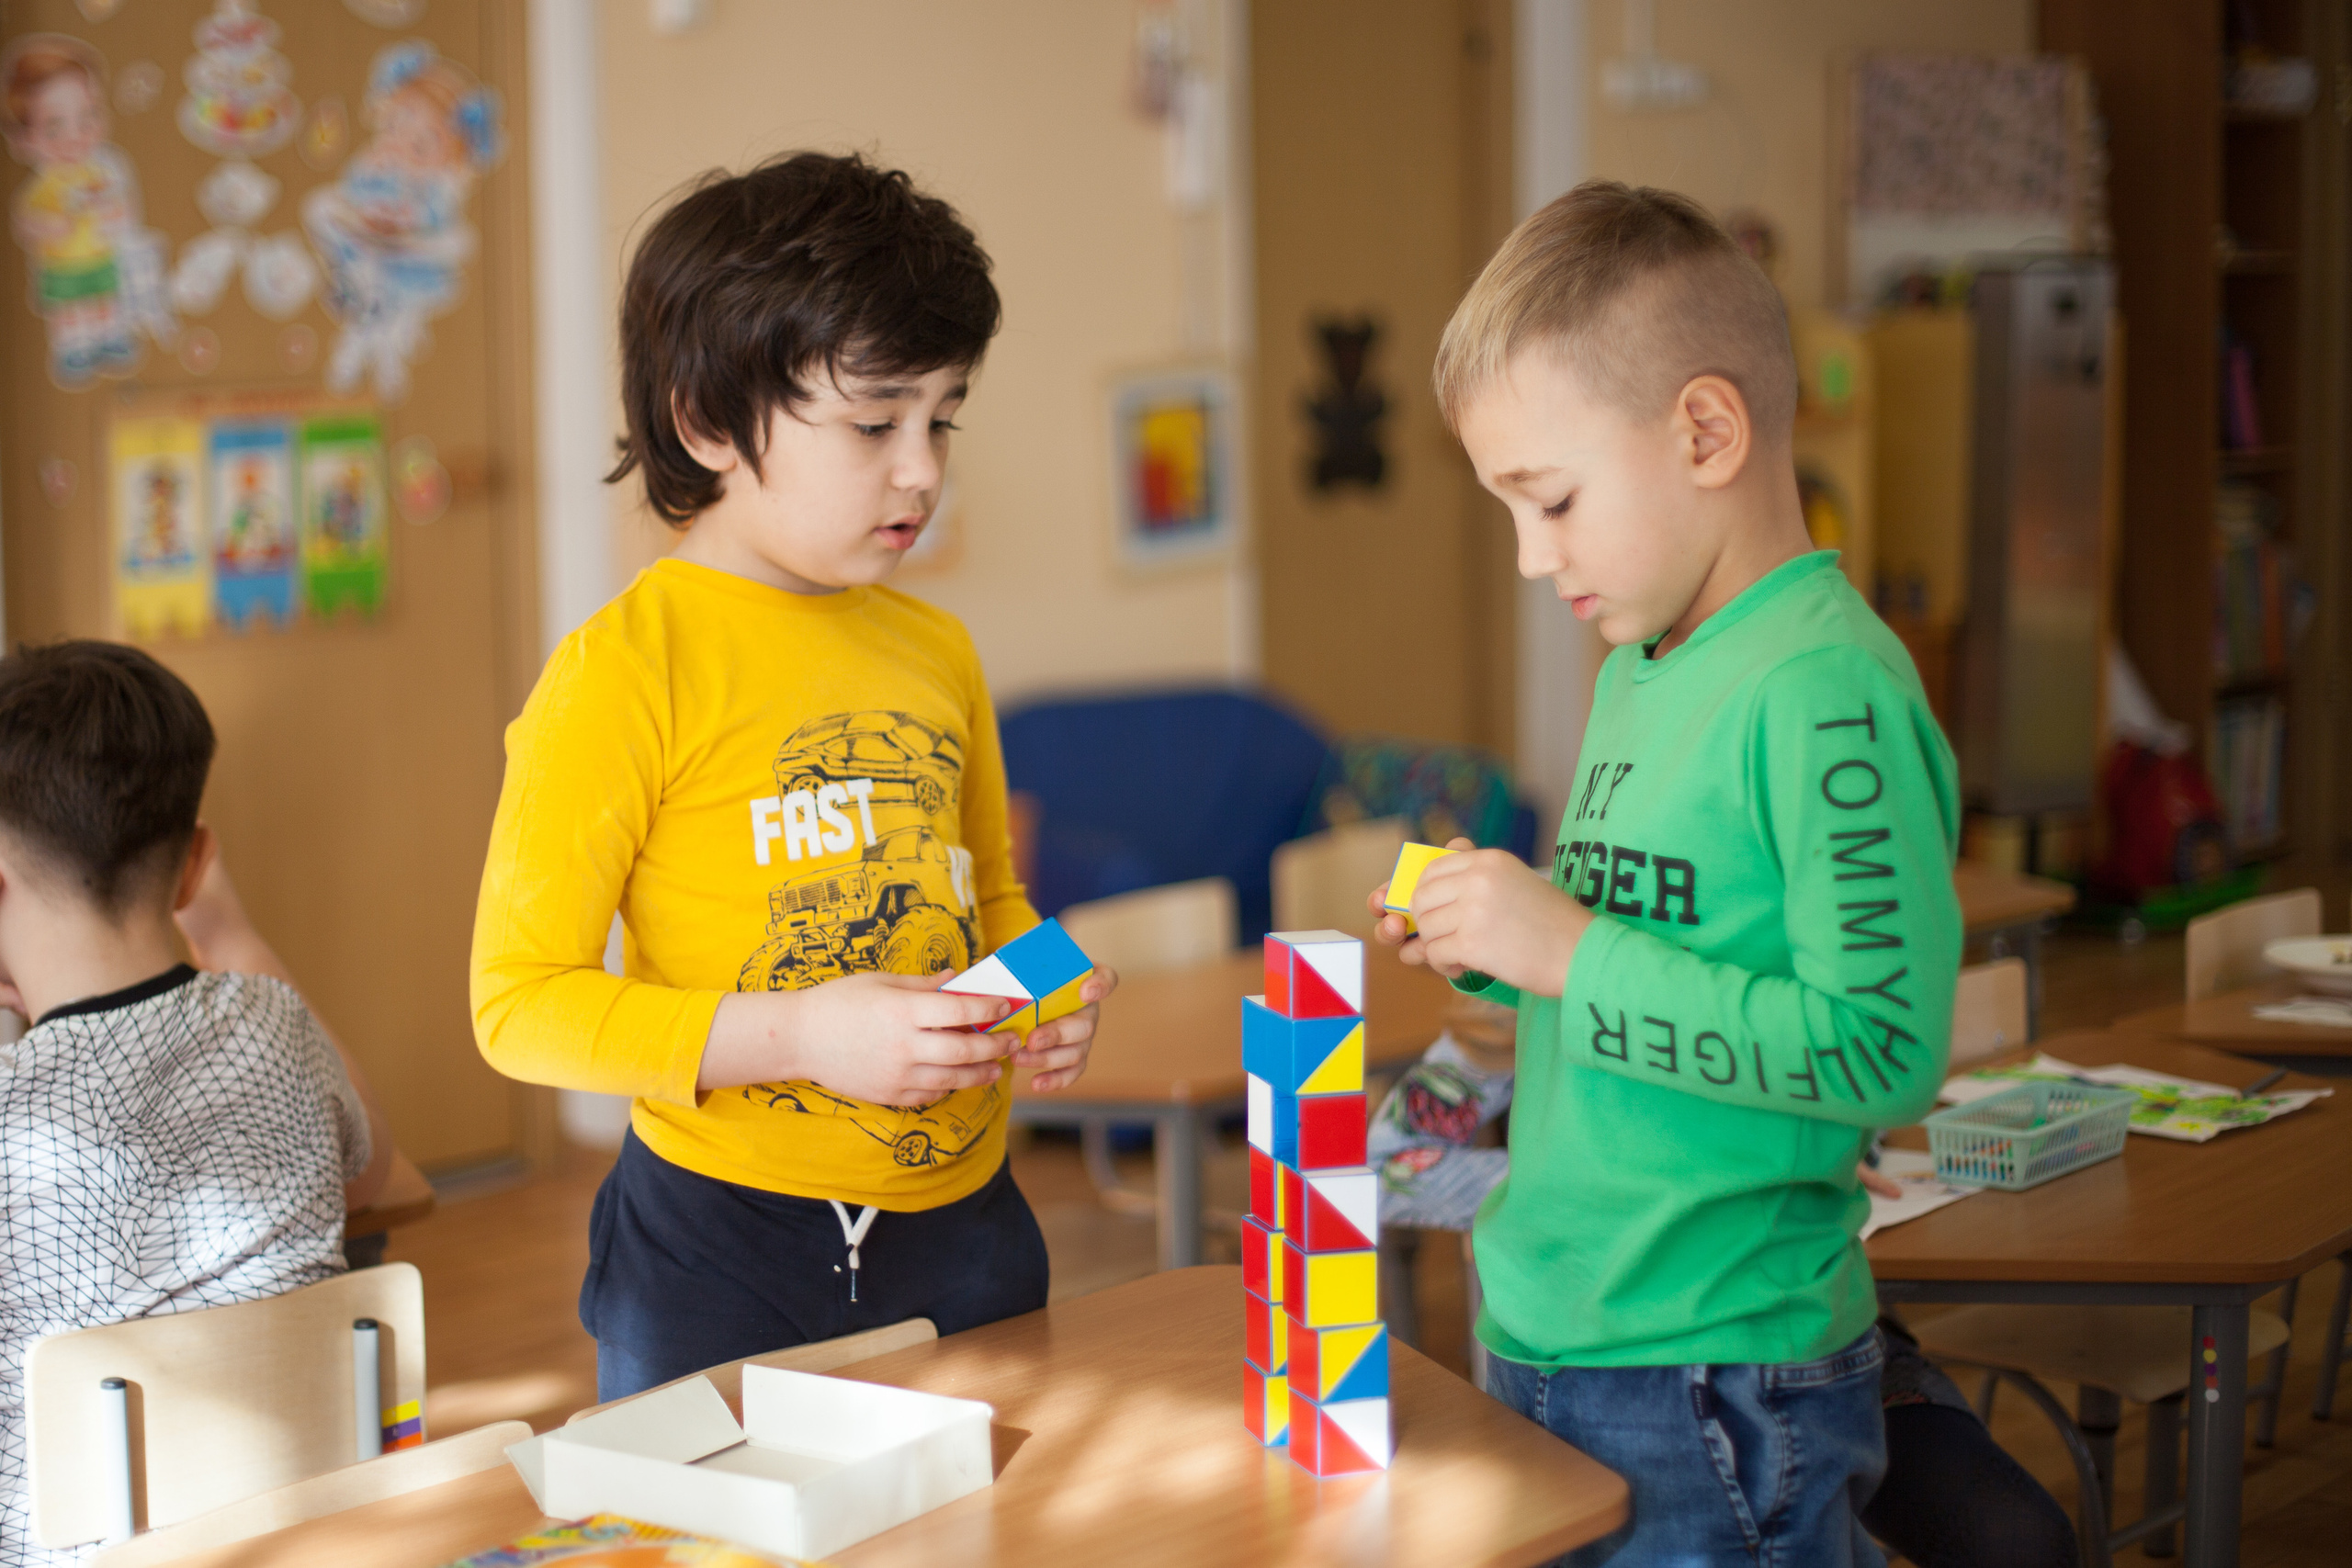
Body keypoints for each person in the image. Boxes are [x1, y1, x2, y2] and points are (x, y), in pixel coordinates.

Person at [1375, 179, 1963, 1566]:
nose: (1533, 557)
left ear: (1705, 428)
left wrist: (1567, 949)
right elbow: (1658, 926)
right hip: (1547, 1320)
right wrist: (1492, 932)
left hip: (1710, 1366)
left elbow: (1879, 1050)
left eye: (1555, 499)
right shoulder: (1647, 659)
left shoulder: (1823, 687)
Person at [470, 152, 1116, 1403]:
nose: (923, 468)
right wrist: (807, 1034)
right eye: (876, 421)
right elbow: (518, 1002)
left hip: (969, 1223)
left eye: (944, 416)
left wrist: (1048, 979)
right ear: (706, 420)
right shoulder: (621, 670)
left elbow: (990, 902)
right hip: (720, 1248)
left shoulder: (937, 648)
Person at [1370, 1044, 2077, 1568]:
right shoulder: (1529, 1117)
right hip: (1647, 1383)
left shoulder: (1719, 993)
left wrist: (1785, 1151)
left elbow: (1860, 1089)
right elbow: (1385, 1155)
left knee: (2020, 1538)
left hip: (1819, 1346)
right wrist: (1580, 1179)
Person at [0, 640, 390, 1565]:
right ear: (195, 864)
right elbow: (372, 1174)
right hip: (296, 1527)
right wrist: (233, 930)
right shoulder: (276, 1023)